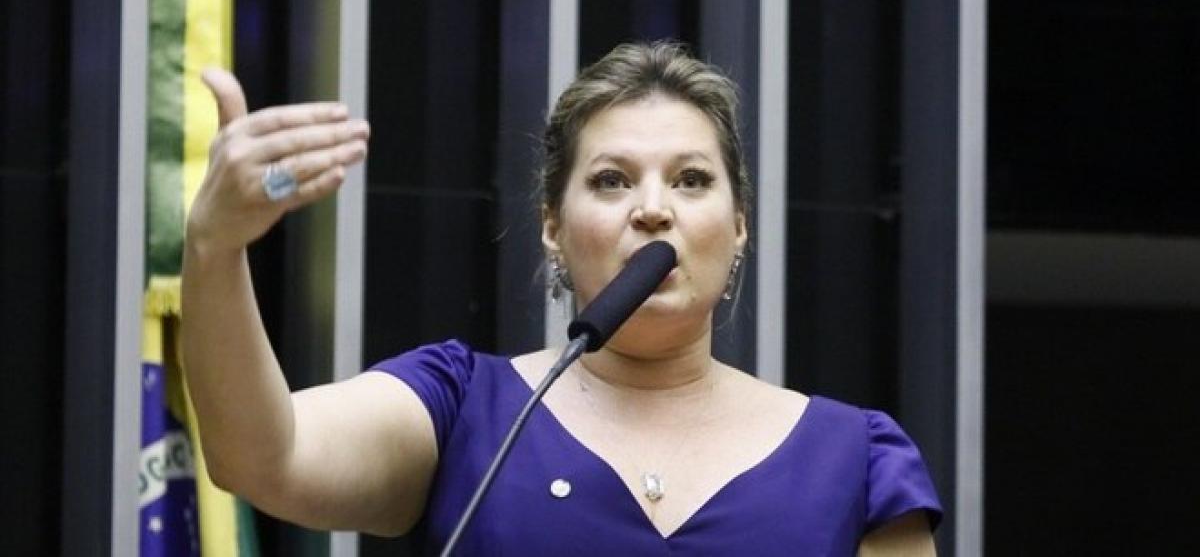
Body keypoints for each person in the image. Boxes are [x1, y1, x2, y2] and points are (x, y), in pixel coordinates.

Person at [183, 42, 941, 555]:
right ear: (553, 226)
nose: (653, 209)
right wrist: (215, 248)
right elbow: (263, 457)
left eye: (691, 180)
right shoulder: (463, 407)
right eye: (612, 180)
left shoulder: (857, 460)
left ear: (739, 224)